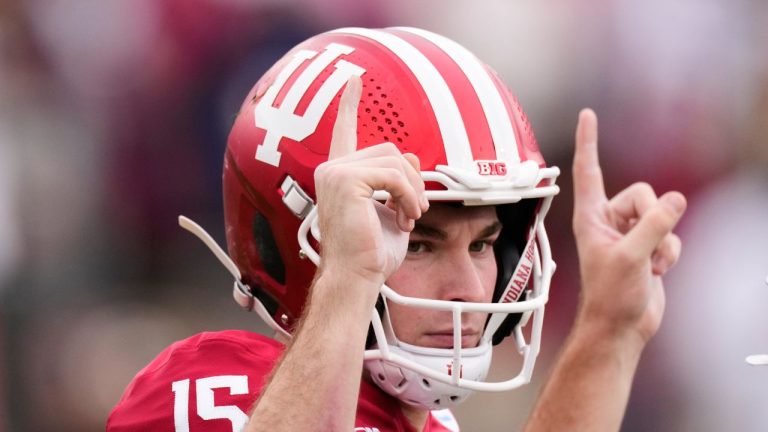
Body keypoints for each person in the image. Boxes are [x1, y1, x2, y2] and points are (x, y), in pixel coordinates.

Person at [107, 27, 686, 432]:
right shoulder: (206, 389)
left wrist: (609, 328)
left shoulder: (428, 424)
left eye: (484, 244)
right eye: (420, 243)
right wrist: (348, 279)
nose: (469, 289)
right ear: (305, 243)